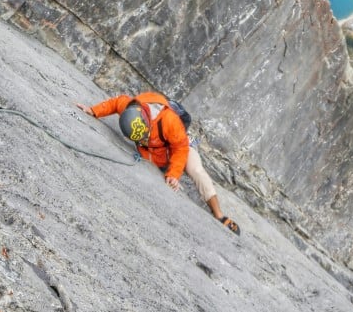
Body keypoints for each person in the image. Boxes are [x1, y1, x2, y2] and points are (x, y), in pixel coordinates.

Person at [76, 91, 240, 234]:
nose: (143, 139)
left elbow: (180, 148)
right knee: (156, 163)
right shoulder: (131, 109)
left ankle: (219, 214)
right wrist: (93, 110)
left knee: (196, 170)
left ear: (147, 121)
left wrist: (174, 175)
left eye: (144, 136)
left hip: (181, 145)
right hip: (155, 152)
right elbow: (116, 102)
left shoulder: (168, 120)